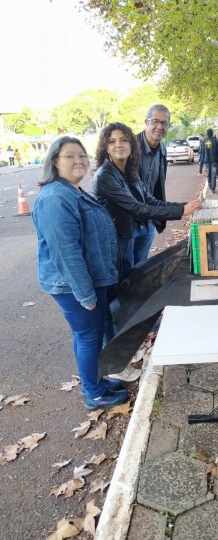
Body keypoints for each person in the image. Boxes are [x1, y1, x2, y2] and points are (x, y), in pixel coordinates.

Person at [31, 136, 129, 410]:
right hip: (75, 285)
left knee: (89, 335)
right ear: (55, 162)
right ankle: (94, 393)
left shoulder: (72, 191)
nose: (79, 161)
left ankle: (94, 381)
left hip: (91, 279)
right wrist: (85, 294)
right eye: (70, 156)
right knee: (88, 336)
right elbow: (66, 252)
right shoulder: (55, 198)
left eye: (82, 155)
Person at [93, 122, 202, 278]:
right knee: (124, 282)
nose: (119, 145)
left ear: (131, 145)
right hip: (118, 239)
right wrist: (182, 211)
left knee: (138, 276)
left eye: (124, 140)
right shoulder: (104, 176)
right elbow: (137, 208)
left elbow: (151, 201)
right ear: (105, 148)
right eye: (112, 141)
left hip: (134, 231)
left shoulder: (129, 170)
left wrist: (187, 206)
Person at [137, 104, 171, 258]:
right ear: (146, 122)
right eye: (155, 121)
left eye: (164, 123)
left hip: (149, 218)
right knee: (124, 266)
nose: (160, 127)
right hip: (128, 222)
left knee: (141, 265)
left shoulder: (162, 149)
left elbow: (159, 185)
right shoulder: (130, 147)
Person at [203, 128, 218, 193]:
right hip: (214, 160)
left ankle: (210, 186)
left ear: (207, 134)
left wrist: (203, 161)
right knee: (214, 175)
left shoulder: (204, 141)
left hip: (207, 161)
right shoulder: (215, 141)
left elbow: (201, 152)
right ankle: (213, 188)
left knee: (208, 174)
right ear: (212, 133)